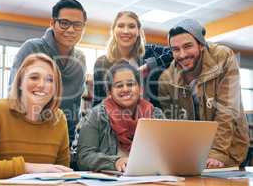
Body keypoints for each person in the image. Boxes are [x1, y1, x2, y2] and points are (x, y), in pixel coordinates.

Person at [0, 54, 72, 179]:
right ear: (20, 83)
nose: (42, 84)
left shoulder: (59, 119)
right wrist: (28, 168)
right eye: (34, 77)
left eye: (50, 80)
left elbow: (62, 174)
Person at [158, 18, 249, 168]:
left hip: (229, 148)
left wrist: (217, 152)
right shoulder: (166, 80)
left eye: (188, 46)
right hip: (192, 153)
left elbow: (227, 110)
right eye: (175, 49)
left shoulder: (222, 57)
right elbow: (173, 124)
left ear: (201, 45)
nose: (182, 54)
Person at [9, 0, 87, 144]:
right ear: (52, 23)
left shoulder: (80, 59)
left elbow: (74, 108)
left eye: (77, 25)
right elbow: (14, 95)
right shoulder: (31, 48)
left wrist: (68, 142)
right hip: (25, 134)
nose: (71, 30)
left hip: (60, 139)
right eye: (64, 23)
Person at [77, 61, 164, 172]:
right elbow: (83, 157)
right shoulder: (96, 116)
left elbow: (168, 152)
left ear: (140, 89)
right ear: (109, 92)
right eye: (119, 85)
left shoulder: (155, 115)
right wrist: (115, 162)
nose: (125, 89)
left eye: (130, 84)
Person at [92, 11, 146, 107]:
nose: (126, 31)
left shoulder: (146, 58)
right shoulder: (101, 63)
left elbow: (172, 52)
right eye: (121, 26)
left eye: (131, 26)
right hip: (111, 119)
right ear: (113, 31)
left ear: (138, 32)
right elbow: (98, 101)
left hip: (144, 118)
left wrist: (150, 64)